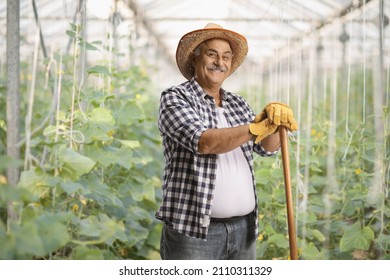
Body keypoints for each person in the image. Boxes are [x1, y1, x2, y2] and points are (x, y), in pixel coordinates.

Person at [156, 23, 298, 260]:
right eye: (212, 54)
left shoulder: (237, 103)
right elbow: (204, 142)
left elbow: (266, 148)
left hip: (243, 230)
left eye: (226, 57)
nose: (219, 62)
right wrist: (255, 127)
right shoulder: (175, 97)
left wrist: (274, 125)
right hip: (194, 232)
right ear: (195, 59)